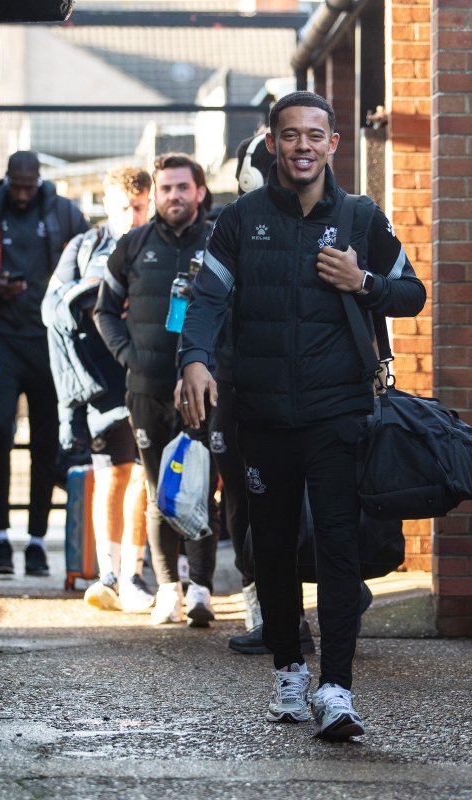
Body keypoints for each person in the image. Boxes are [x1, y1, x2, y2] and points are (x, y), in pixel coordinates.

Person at [177, 92, 426, 741]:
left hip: (339, 410)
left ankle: (336, 689)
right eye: (291, 135)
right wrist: (194, 361)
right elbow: (205, 299)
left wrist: (362, 281)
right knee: (274, 552)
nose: (303, 146)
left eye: (315, 134)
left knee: (340, 549)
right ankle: (291, 670)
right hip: (262, 413)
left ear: (334, 143)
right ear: (273, 143)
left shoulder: (361, 218)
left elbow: (412, 294)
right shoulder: (239, 220)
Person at [94, 153, 218, 627]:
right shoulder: (131, 244)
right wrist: (131, 357)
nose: (173, 197)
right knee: (157, 491)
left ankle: (201, 589)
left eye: (182, 188)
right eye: (165, 189)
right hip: (147, 387)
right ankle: (168, 587)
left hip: (205, 388)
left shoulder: (219, 241)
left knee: (201, 487)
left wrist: (215, 365)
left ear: (199, 192)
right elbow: (104, 310)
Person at [217, 130, 316, 656]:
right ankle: (271, 610)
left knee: (290, 503)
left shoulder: (339, 216)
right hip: (239, 381)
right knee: (247, 500)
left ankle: (293, 612)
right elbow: (206, 304)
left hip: (287, 384)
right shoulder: (236, 223)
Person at [42, 165, 154, 611]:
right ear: (107, 204)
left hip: (149, 376)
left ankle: (134, 575)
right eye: (124, 207)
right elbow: (52, 307)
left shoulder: (162, 244)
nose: (132, 215)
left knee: (146, 477)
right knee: (112, 475)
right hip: (101, 382)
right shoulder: (83, 245)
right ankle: (108, 574)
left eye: (140, 206)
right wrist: (92, 293)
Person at [0, 150, 89, 576]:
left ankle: (37, 540)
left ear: (38, 181)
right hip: (2, 335)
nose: (22, 194)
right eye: (15, 185)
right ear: (6, 180)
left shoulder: (64, 213)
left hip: (49, 341)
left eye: (28, 186)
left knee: (45, 440)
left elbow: (88, 263)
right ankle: (1, 537)